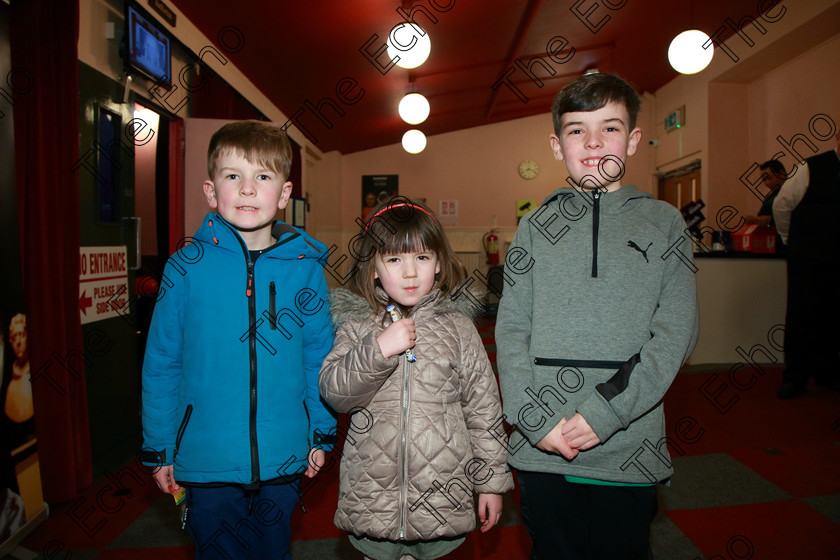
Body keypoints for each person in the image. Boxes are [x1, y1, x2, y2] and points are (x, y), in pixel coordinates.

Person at [495, 73, 699, 560]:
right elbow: (511, 329)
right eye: (575, 130)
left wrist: (606, 411)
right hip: (543, 440)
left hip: (629, 441)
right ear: (555, 143)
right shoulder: (534, 225)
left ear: (631, 140)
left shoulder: (666, 223)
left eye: (609, 128)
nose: (591, 143)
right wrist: (533, 416)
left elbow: (676, 334)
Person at [140, 120, 335, 560]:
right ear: (211, 192)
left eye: (262, 177)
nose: (248, 190)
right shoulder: (184, 267)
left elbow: (317, 357)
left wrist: (320, 433)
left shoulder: (306, 269)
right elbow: (162, 363)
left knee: (273, 551)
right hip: (205, 456)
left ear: (284, 194)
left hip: (284, 452)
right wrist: (160, 446)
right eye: (234, 177)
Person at [319, 198, 513, 560]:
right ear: (374, 268)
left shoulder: (459, 329)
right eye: (394, 259)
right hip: (373, 499)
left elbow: (484, 411)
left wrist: (490, 483)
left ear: (438, 263)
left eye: (421, 258)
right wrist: (377, 350)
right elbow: (335, 393)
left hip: (442, 496)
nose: (409, 273)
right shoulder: (358, 326)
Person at [772, 131, 840, 399]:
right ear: (837, 139)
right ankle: (795, 376)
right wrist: (791, 239)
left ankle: (828, 372)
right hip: (807, 256)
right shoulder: (810, 167)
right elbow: (781, 206)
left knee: (834, 317)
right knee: (802, 315)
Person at [744, 159, 788, 227]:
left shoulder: (792, 194)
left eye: (769, 178)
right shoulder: (769, 197)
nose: (767, 183)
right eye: (764, 180)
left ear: (782, 174)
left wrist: (769, 220)